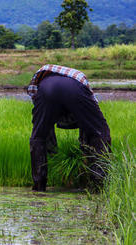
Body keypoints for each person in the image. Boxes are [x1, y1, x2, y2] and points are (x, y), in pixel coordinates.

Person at [27, 64, 111, 192]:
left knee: (38, 136)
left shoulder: (41, 83)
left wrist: (52, 150)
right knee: (99, 131)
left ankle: (39, 185)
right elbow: (89, 123)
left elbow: (44, 126)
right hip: (74, 89)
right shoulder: (79, 82)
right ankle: (99, 185)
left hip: (46, 88)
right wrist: (85, 147)